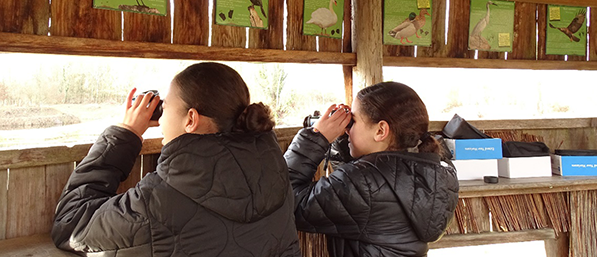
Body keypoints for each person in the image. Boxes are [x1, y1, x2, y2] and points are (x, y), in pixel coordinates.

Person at [52, 62, 301, 256]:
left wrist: (125, 134)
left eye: (166, 107)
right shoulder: (273, 171)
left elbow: (71, 224)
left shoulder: (159, 200)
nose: (160, 119)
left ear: (190, 119)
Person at [284, 81, 459, 257]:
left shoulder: (363, 183)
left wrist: (316, 138)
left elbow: (287, 201)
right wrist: (345, 143)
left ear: (381, 130)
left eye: (353, 122)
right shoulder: (434, 173)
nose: (347, 130)